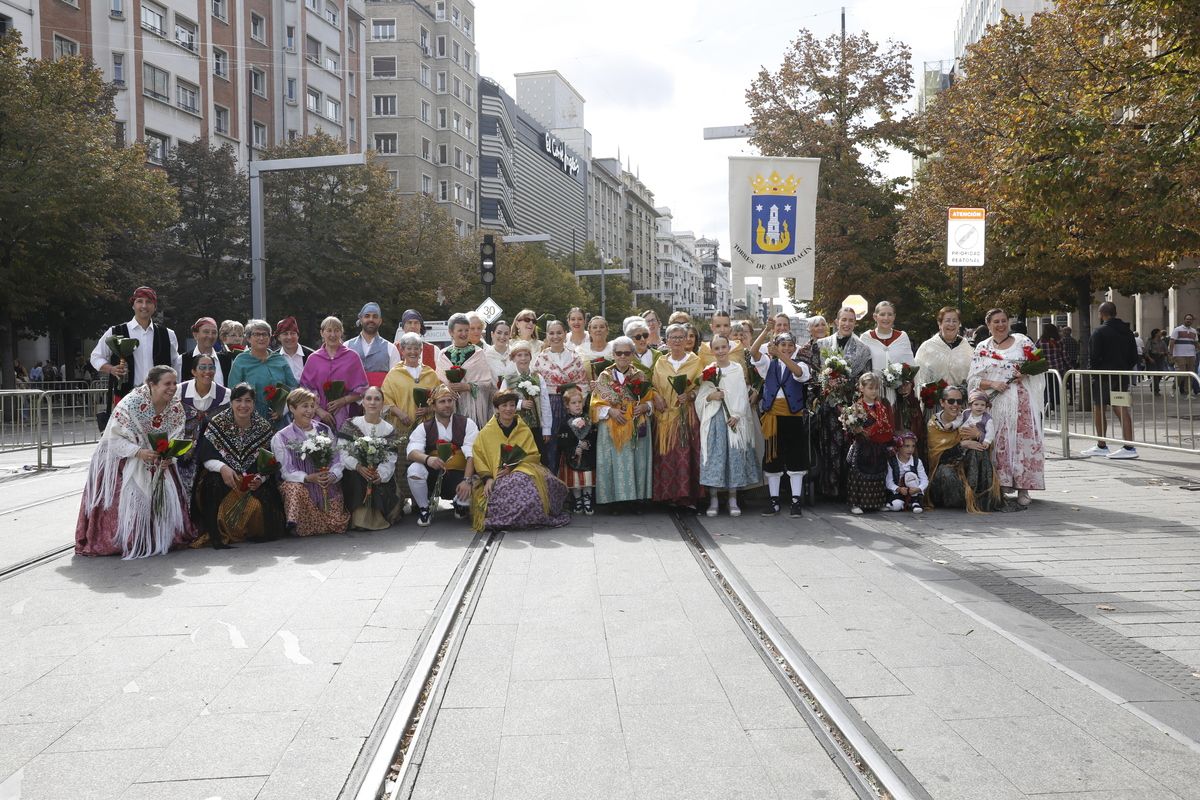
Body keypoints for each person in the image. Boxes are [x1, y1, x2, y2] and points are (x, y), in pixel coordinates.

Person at [75, 365, 195, 558]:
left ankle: (159, 536)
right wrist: (138, 452)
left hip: (156, 461)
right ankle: (129, 537)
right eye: (167, 383)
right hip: (124, 459)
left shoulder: (175, 406)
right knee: (125, 497)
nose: (173, 388)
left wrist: (168, 457)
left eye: (174, 383)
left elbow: (177, 436)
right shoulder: (131, 402)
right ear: (152, 384)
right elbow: (114, 438)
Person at [191, 382, 286, 548]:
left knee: (266, 498)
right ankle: (217, 535)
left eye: (248, 401)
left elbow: (268, 462)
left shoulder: (263, 427)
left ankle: (253, 531)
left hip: (250, 483)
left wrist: (260, 478)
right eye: (238, 400)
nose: (243, 405)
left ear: (254, 404)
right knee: (212, 484)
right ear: (231, 402)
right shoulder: (218, 423)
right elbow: (206, 456)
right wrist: (222, 468)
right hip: (224, 479)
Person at [968, 308, 1046, 506]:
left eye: (1004, 321)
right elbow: (974, 379)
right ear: (988, 325)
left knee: (1022, 442)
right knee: (999, 443)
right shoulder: (982, 347)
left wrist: (1025, 373)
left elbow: (1038, 366)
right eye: (996, 322)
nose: (1001, 325)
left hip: (1021, 402)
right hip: (996, 403)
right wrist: (993, 384)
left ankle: (1023, 487)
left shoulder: (1023, 342)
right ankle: (1000, 485)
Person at [471, 389, 572, 532]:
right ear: (497, 408)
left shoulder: (524, 429)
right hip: (497, 475)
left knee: (536, 486)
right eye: (504, 405)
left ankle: (533, 516)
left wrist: (514, 466)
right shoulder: (485, 433)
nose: (508, 409)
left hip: (524, 470)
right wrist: (487, 478)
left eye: (512, 405)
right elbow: (479, 457)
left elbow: (533, 455)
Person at [90, 286, 182, 425]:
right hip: (126, 397)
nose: (144, 306)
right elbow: (96, 357)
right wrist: (111, 369)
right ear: (133, 305)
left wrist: (175, 391)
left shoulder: (168, 334)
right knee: (127, 436)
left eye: (149, 302)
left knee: (158, 436)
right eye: (140, 301)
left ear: (154, 307)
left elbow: (175, 365)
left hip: (160, 399)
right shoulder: (115, 331)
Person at [696, 335, 761, 517]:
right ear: (712, 351)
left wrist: (737, 414)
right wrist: (711, 397)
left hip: (733, 419)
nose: (721, 351)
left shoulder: (736, 369)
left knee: (734, 457)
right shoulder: (709, 371)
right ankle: (714, 500)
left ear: (729, 348)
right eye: (717, 348)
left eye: (723, 347)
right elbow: (701, 397)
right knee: (716, 457)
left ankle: (733, 499)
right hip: (716, 419)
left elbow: (742, 394)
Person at [271, 387, 350, 536]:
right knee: (293, 488)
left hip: (326, 485)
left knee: (337, 524)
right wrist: (307, 477)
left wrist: (332, 475)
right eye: (304, 406)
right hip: (302, 487)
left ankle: (317, 523)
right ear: (292, 408)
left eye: (312, 406)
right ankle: (296, 524)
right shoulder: (281, 437)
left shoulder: (324, 430)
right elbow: (285, 470)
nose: (310, 411)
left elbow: (337, 458)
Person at [812, 307, 873, 500]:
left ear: (855, 323)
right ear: (836, 321)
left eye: (851, 320)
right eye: (843, 319)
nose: (847, 324)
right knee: (828, 446)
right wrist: (826, 383)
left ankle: (848, 490)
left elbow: (865, 378)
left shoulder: (863, 349)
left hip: (850, 407)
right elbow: (813, 373)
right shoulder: (821, 344)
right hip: (828, 406)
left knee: (850, 446)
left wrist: (852, 397)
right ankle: (829, 489)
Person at [590, 336, 656, 506]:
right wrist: (610, 411)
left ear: (633, 354)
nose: (623, 356)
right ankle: (614, 502)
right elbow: (595, 404)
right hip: (612, 426)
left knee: (638, 462)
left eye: (627, 353)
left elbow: (650, 399)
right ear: (613, 355)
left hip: (636, 425)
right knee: (613, 463)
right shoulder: (604, 376)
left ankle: (637, 500)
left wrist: (646, 406)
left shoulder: (640, 375)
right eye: (619, 353)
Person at [406, 385, 478, 525]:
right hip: (433, 475)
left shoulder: (467, 423)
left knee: (475, 484)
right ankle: (424, 509)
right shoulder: (424, 427)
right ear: (433, 406)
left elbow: (472, 454)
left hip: (460, 475)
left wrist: (467, 480)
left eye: (450, 401)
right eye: (442, 401)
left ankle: (461, 503)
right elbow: (411, 452)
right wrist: (428, 459)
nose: (447, 405)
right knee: (414, 469)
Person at [755, 332, 810, 517]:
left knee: (796, 457)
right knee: (773, 458)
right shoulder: (768, 364)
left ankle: (796, 500)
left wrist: (780, 355)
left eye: (790, 345)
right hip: (773, 417)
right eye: (782, 345)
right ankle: (774, 500)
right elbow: (753, 352)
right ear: (776, 346)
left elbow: (799, 374)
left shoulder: (800, 363)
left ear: (795, 347)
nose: (786, 348)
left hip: (793, 416)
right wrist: (765, 330)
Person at [651, 323, 704, 509]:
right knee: (666, 457)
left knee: (685, 456)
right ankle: (668, 497)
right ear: (667, 341)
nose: (677, 341)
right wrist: (656, 397)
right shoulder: (661, 362)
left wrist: (690, 395)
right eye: (673, 337)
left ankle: (688, 498)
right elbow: (653, 386)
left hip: (686, 416)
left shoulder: (696, 361)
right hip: (665, 416)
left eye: (681, 337)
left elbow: (702, 387)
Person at [926, 385, 1001, 512]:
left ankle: (978, 497)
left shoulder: (967, 418)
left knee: (978, 451)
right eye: (951, 401)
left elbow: (989, 444)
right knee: (947, 472)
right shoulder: (934, 425)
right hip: (944, 471)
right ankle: (962, 500)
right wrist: (962, 445)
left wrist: (979, 435)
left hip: (967, 467)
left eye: (959, 401)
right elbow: (938, 458)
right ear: (942, 402)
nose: (955, 405)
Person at [339, 386, 403, 530]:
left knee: (377, 483)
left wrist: (380, 475)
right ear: (363, 402)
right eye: (369, 398)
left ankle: (376, 518)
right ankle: (359, 520)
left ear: (382, 404)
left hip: (378, 473)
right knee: (358, 479)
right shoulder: (350, 424)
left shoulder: (389, 430)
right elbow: (343, 453)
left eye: (377, 399)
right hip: (354, 472)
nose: (372, 402)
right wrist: (358, 467)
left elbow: (390, 459)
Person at [1082, 301, 1140, 459]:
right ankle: (1129, 446)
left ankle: (1102, 444)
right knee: (1122, 408)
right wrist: (1124, 367)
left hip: (1103, 376)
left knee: (1099, 408)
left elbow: (1093, 356)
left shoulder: (1099, 331)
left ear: (1101, 314)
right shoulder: (1128, 332)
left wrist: (1093, 373)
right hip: (1121, 375)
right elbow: (1134, 356)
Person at [532, 320, 587, 471]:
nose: (555, 336)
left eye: (559, 333)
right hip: (549, 404)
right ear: (547, 335)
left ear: (565, 334)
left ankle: (572, 479)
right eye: (551, 333)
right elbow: (536, 386)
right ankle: (552, 476)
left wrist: (578, 405)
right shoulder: (541, 358)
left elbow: (583, 383)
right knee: (551, 443)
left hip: (572, 404)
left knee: (572, 442)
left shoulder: (574, 356)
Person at [176, 353, 229, 501]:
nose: (207, 371)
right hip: (183, 448)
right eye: (202, 367)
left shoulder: (225, 395)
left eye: (211, 367)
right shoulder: (179, 391)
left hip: (211, 447)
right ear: (193, 371)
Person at [301, 316, 369, 431]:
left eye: (336, 330)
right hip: (317, 417)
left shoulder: (352, 357)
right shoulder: (313, 359)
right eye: (329, 330)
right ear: (322, 333)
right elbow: (305, 389)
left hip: (347, 416)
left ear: (341, 332)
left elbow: (362, 389)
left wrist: (342, 401)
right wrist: (319, 411)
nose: (333, 334)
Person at [227, 319, 297, 429]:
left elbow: (293, 387)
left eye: (265, 334)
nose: (261, 338)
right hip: (249, 421)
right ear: (248, 338)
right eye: (256, 334)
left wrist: (283, 409)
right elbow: (233, 392)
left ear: (269, 338)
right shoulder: (241, 360)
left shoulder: (279, 359)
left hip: (279, 421)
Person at [846, 372, 894, 515]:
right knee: (859, 474)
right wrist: (856, 429)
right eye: (870, 388)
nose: (874, 391)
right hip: (862, 446)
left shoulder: (881, 407)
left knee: (879, 472)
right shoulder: (856, 407)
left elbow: (887, 426)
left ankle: (878, 502)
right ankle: (856, 503)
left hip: (878, 445)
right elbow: (850, 429)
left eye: (876, 388)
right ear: (861, 388)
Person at [436, 313, 494, 427]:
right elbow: (438, 381)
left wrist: (467, 386)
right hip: (448, 407)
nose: (464, 334)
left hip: (472, 411)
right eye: (460, 330)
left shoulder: (478, 353)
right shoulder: (443, 354)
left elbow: (487, 383)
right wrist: (447, 388)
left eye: (467, 330)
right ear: (451, 332)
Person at [382, 332, 441, 433]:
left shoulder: (430, 374)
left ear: (421, 350)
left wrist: (428, 410)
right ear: (402, 350)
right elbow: (385, 400)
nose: (413, 352)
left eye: (416, 348)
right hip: (401, 428)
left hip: (427, 428)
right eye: (409, 348)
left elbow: (440, 399)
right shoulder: (394, 374)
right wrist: (400, 414)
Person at [860, 300, 916, 403]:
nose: (886, 318)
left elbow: (910, 365)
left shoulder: (902, 337)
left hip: (897, 394)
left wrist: (907, 384)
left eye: (890, 314)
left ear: (894, 317)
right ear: (875, 317)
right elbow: (861, 367)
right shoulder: (866, 338)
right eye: (882, 314)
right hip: (873, 392)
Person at [501, 340, 551, 454]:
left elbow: (545, 403)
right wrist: (519, 404)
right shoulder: (508, 379)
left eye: (526, 355)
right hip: (514, 427)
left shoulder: (537, 378)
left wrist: (546, 429)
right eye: (519, 355)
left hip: (534, 426)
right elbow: (501, 401)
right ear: (513, 358)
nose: (523, 358)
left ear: (530, 357)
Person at [556, 387, 597, 514]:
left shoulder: (588, 420)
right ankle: (578, 500)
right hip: (572, 456)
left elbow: (593, 436)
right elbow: (562, 440)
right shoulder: (564, 422)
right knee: (576, 480)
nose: (577, 405)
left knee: (587, 478)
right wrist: (574, 448)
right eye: (573, 403)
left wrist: (587, 444)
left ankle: (587, 500)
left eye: (579, 402)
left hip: (587, 455)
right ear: (567, 405)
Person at [345, 302, 402, 388]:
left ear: (380, 321)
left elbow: (395, 381)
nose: (371, 319)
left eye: (375, 316)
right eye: (367, 316)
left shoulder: (391, 349)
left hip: (381, 396)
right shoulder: (347, 346)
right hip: (352, 396)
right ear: (361, 319)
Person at [914, 307, 971, 390]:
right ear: (939, 324)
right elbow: (919, 377)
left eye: (955, 321)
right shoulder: (927, 347)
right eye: (947, 320)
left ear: (959, 324)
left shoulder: (967, 348)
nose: (951, 324)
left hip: (961, 396)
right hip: (934, 396)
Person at [182, 317, 233, 387]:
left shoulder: (227, 360)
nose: (210, 336)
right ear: (195, 335)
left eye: (214, 332)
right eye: (206, 332)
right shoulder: (182, 360)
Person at [885, 431, 928, 513]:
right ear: (899, 447)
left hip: (913, 491)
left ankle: (915, 502)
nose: (910, 449)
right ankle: (902, 503)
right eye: (907, 446)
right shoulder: (892, 462)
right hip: (899, 492)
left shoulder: (917, 462)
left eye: (913, 446)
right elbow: (888, 481)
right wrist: (898, 489)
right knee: (896, 506)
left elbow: (924, 480)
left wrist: (918, 489)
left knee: (909, 475)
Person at [1037, 323, 1068, 412]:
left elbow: (1035, 354)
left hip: (1044, 369)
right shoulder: (1059, 341)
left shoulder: (1040, 341)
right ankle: (1054, 405)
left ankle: (1047, 403)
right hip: (1057, 368)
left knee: (1045, 387)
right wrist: (1069, 366)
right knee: (1056, 387)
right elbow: (1064, 355)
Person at [274, 316, 314, 384]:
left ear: (298, 336)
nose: (289, 337)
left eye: (292, 333)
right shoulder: (274, 358)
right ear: (278, 337)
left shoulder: (311, 356)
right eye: (285, 334)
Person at [1169, 313, 1198, 396]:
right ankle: (1174, 388)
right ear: (1184, 320)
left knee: (1190, 375)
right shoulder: (1177, 329)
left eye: (1190, 319)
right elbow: (1172, 342)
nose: (1189, 320)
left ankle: (1187, 392)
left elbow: (1196, 343)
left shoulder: (1194, 331)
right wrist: (1170, 354)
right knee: (1181, 373)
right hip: (1179, 355)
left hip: (1191, 355)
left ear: (1192, 321)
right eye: (1187, 319)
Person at [1146, 328, 1169, 395]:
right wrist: (1150, 358)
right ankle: (1156, 390)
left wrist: (1165, 353)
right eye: (1159, 332)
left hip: (1161, 359)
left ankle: (1153, 385)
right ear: (1156, 333)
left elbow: (1166, 350)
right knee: (1155, 375)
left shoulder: (1162, 342)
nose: (1160, 333)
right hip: (1153, 358)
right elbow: (1146, 351)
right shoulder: (1150, 341)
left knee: (1160, 374)